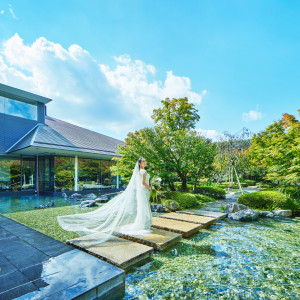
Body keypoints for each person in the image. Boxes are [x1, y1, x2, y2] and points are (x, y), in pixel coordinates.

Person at [57, 158, 153, 243]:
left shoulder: (139, 172)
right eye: (143, 161)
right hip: (143, 190)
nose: (145, 162)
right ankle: (141, 225)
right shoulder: (143, 172)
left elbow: (140, 183)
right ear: (140, 163)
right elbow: (143, 183)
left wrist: (151, 184)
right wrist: (149, 188)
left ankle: (140, 224)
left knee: (142, 207)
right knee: (142, 207)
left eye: (145, 161)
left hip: (140, 192)